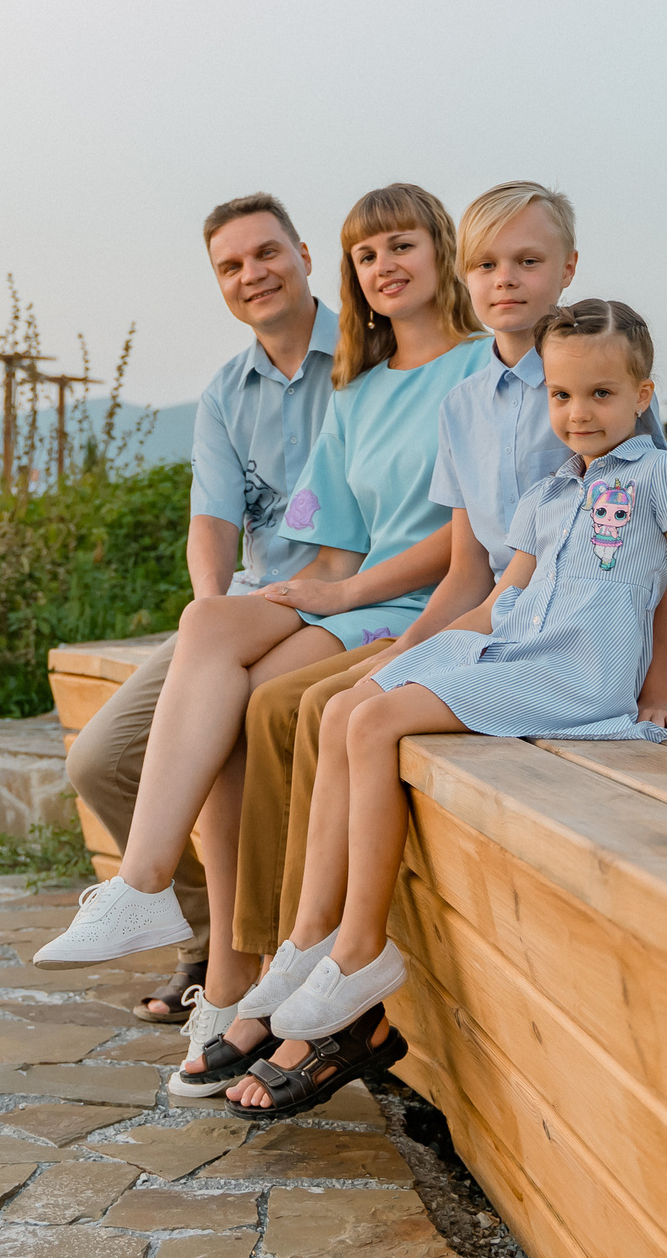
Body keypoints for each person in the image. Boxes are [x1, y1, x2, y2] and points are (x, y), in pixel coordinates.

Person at [226, 298, 667, 1117]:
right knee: (349, 707)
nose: (579, 414)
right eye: (563, 396)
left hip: (575, 676)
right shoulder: (545, 494)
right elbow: (502, 599)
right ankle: (306, 941)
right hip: (514, 647)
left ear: (643, 395)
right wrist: (411, 654)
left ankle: (361, 947)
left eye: (602, 395)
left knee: (375, 719)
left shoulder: (666, 477)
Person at [32, 183, 490, 1094]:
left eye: (401, 246)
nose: (386, 266)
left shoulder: (478, 370)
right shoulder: (355, 390)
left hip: (413, 604)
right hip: (330, 593)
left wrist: (338, 591)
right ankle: (149, 888)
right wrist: (293, 601)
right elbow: (324, 539)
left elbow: (470, 536)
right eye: (372, 253)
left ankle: (254, 969)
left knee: (260, 702)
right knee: (209, 622)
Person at [62, 192, 337, 1025]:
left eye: (266, 253)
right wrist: (213, 618)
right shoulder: (226, 392)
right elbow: (212, 527)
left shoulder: (368, 358)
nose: (252, 273)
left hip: (338, 602)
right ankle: (205, 925)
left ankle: (230, 962)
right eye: (231, 265)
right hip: (250, 608)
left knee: (239, 726)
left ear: (304, 256)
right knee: (100, 757)